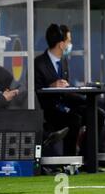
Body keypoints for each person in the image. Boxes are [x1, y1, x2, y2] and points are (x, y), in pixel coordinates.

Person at [34, 23, 85, 156]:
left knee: (96, 114)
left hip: (66, 105)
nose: (70, 44)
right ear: (61, 44)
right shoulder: (38, 64)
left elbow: (65, 88)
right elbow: (35, 90)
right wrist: (51, 86)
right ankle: (69, 161)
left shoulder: (63, 61)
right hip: (50, 111)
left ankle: (89, 158)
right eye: (69, 41)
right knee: (75, 120)